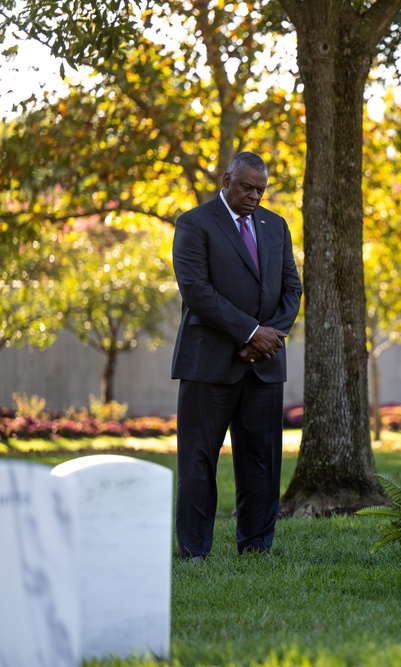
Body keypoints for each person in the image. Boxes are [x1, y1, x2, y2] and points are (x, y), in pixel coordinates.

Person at [171, 151, 302, 560]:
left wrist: (270, 337)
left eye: (261, 189)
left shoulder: (276, 226)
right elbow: (196, 290)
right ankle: (195, 550)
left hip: (264, 365)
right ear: (226, 179)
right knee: (198, 458)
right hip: (209, 362)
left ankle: (256, 545)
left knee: (261, 460)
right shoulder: (193, 224)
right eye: (247, 187)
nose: (254, 196)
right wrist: (249, 332)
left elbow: (291, 289)